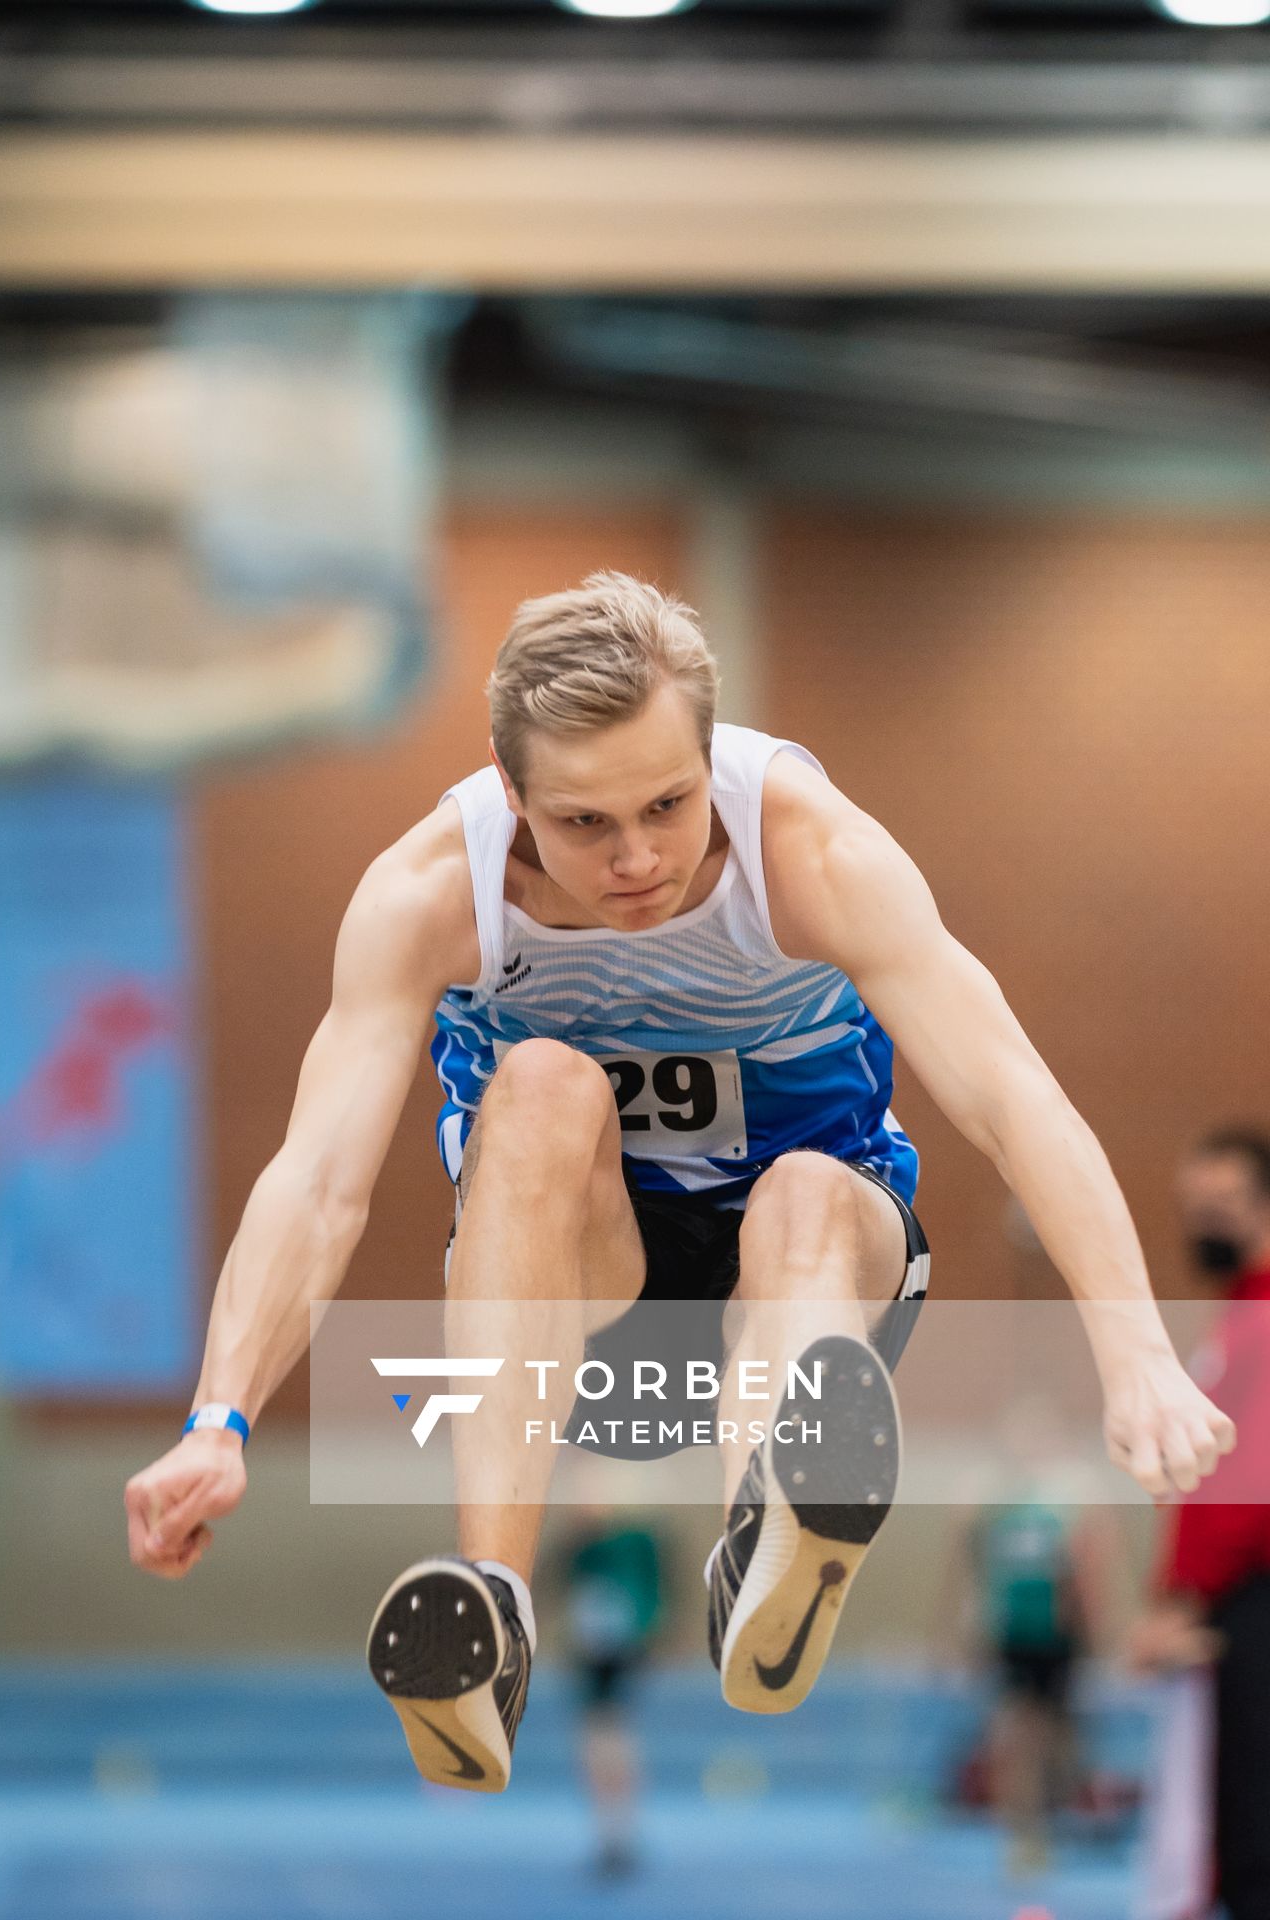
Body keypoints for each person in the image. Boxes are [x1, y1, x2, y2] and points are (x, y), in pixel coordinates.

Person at [124, 571, 1235, 1798]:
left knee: (802, 1192)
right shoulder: (427, 897)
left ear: (712, 754)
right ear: (509, 795)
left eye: (666, 802)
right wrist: (218, 1419)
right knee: (539, 1085)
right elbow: (318, 1180)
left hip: (813, 1286)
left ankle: (767, 1528)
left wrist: (1133, 1356)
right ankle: (490, 1606)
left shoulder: (812, 851)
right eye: (583, 824)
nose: (637, 860)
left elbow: (1013, 1101)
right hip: (580, 1322)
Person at [1129, 1128, 1270, 1920]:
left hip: (1248, 1600)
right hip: (1233, 1600)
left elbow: (1251, 1481)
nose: (1203, 1226)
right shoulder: (1237, 1318)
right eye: (1194, 1210)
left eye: (1221, 1208)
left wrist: (1185, 1597)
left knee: (1249, 1832)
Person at [560, 1510, 665, 1878]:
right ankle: (612, 1837)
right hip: (595, 1665)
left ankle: (619, 1837)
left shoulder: (633, 1544)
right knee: (600, 1750)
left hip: (615, 1663)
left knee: (612, 1748)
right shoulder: (586, 1552)